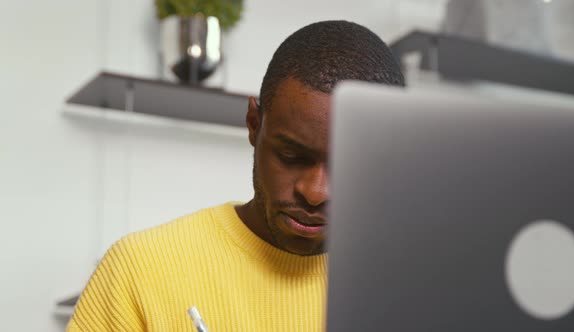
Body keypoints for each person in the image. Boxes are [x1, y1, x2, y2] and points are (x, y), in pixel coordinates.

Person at [67, 20, 404, 332]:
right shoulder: (139, 270)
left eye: (348, 165)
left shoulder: (408, 288)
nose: (315, 192)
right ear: (254, 125)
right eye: (290, 156)